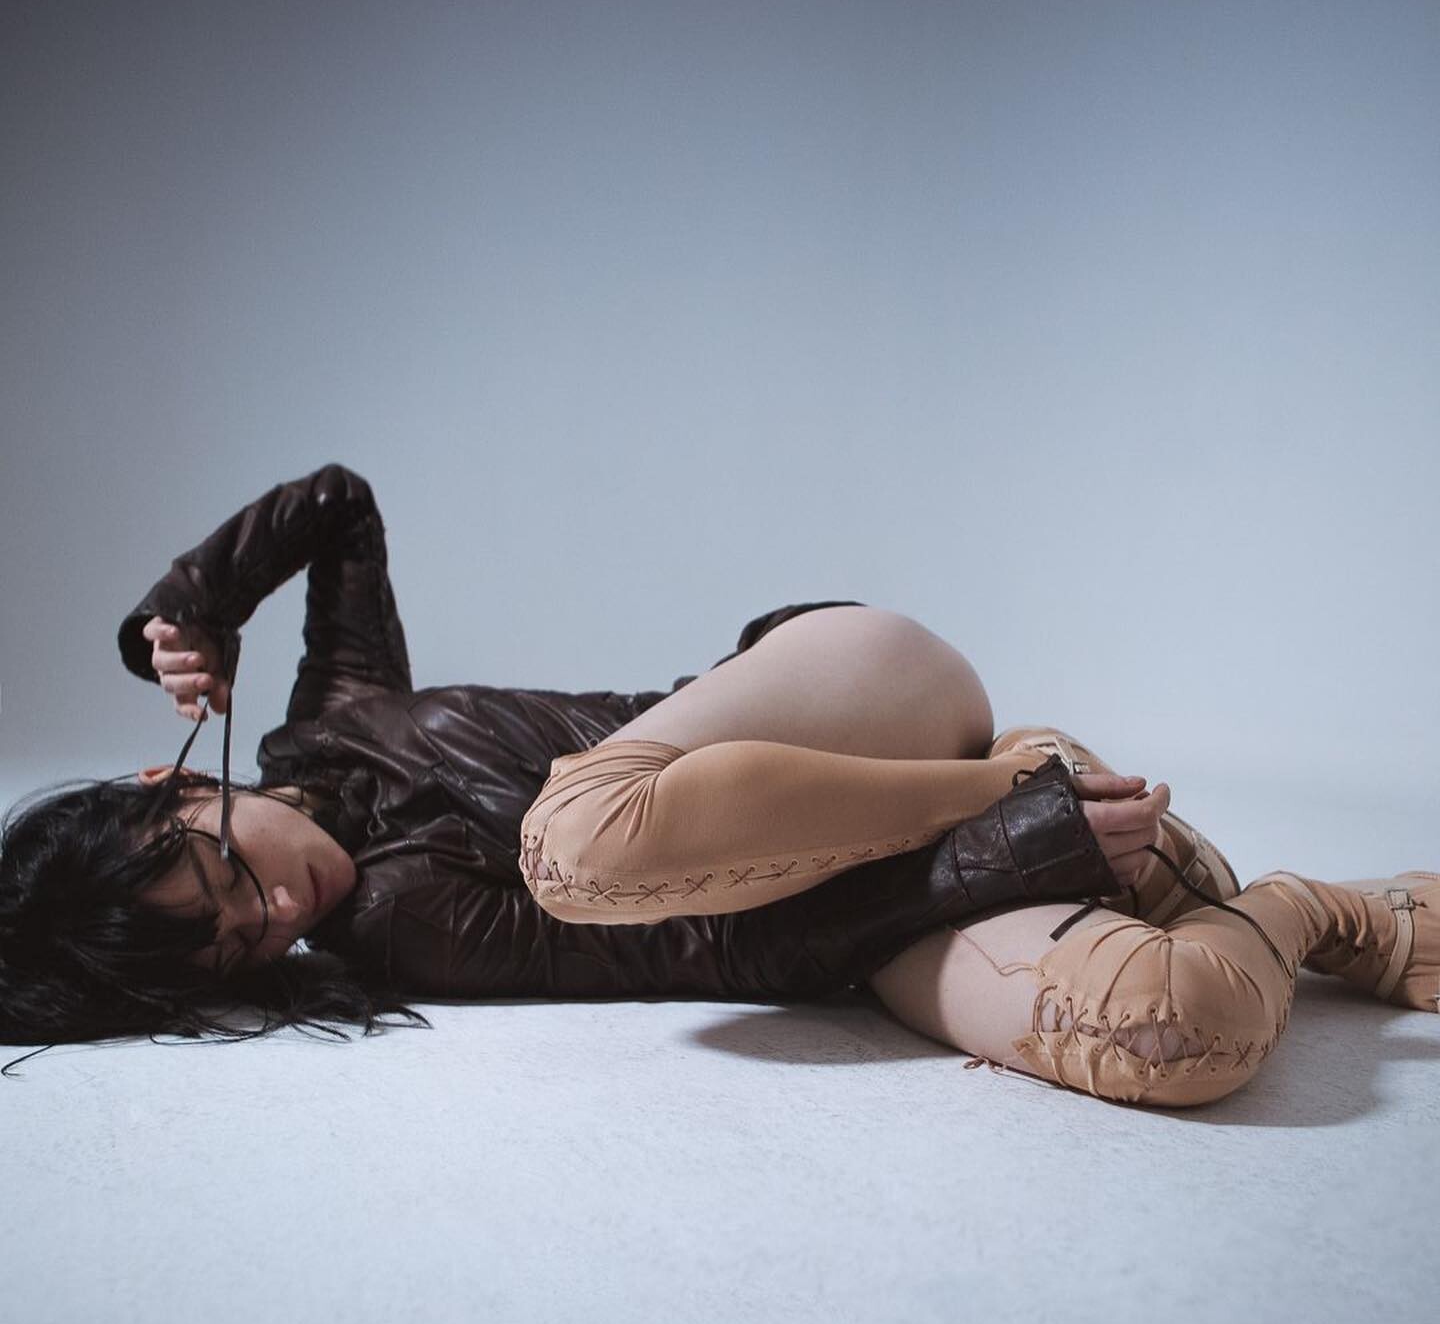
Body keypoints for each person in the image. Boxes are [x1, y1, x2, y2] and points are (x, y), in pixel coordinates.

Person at [1, 465, 1432, 1103]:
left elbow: (339, 508)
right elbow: (731, 945)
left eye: (225, 868)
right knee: (1168, 1031)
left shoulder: (333, 725)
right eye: (238, 947)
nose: (275, 912)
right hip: (864, 903)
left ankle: (1017, 777)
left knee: (577, 836)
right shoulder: (396, 928)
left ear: (170, 782)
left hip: (862, 708)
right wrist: (1014, 860)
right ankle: (1322, 913)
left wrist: (191, 602)